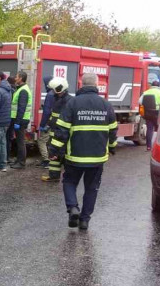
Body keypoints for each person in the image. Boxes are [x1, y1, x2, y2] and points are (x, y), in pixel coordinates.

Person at [49, 73, 117, 230]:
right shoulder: (106, 105)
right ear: (97, 84)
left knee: (69, 182)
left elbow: (62, 130)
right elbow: (113, 130)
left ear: (81, 84)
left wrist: (55, 150)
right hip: (97, 157)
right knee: (92, 188)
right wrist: (112, 146)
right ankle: (85, 220)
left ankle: (73, 208)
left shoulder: (73, 103)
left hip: (75, 156)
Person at [41, 76, 73, 182]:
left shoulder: (68, 101)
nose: (51, 92)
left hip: (62, 132)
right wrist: (49, 124)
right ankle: (54, 176)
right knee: (53, 153)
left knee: (62, 153)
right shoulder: (58, 99)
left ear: (58, 89)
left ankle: (68, 178)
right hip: (55, 130)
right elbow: (54, 115)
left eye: (53, 90)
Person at [8, 71, 32, 169]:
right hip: (20, 119)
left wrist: (17, 122)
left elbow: (21, 108)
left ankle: (21, 163)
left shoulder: (23, 91)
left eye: (16, 77)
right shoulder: (21, 89)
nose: (15, 78)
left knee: (20, 142)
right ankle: (18, 160)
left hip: (21, 120)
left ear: (21, 78)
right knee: (19, 141)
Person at [139, 79, 160, 151]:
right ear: (159, 86)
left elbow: (140, 102)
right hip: (158, 114)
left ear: (152, 85)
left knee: (149, 129)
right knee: (159, 130)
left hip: (148, 113)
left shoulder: (146, 92)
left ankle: (148, 146)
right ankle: (159, 146)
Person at [36, 75, 55, 169]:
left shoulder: (50, 95)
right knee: (50, 141)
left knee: (41, 141)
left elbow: (47, 112)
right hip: (55, 122)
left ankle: (46, 160)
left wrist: (42, 125)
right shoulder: (56, 93)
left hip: (48, 122)